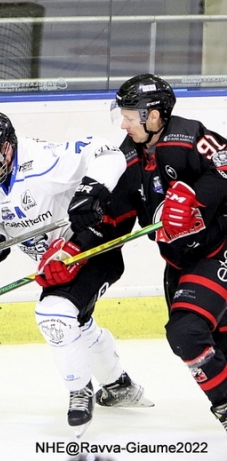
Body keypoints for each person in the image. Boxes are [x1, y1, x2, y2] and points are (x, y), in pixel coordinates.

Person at [0, 109, 153, 437]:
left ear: (6, 148)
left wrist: (91, 191)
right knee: (77, 322)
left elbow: (108, 154)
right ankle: (118, 386)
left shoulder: (45, 161)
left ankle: (79, 390)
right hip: (55, 264)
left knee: (53, 313)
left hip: (91, 245)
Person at [109, 73, 227, 433]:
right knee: (215, 343)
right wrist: (78, 245)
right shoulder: (127, 156)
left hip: (218, 251)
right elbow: (116, 216)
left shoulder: (190, 136)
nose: (124, 123)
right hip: (177, 265)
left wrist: (195, 195)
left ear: (156, 116)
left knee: (186, 332)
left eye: (131, 115)